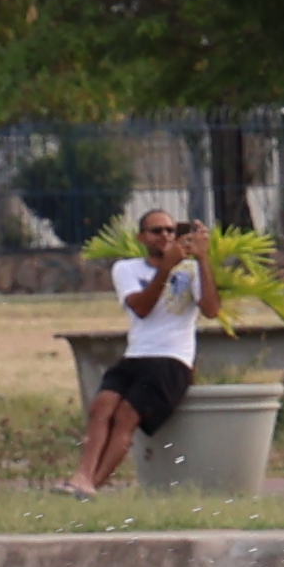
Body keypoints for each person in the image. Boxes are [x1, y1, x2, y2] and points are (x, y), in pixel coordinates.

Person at [67, 208, 214, 496]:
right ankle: (82, 476)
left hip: (171, 360)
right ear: (142, 237)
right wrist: (165, 270)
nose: (165, 236)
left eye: (171, 231)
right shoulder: (127, 268)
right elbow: (142, 308)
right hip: (136, 356)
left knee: (125, 417)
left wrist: (204, 259)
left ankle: (88, 487)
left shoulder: (191, 271)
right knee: (101, 407)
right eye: (156, 231)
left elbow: (211, 310)